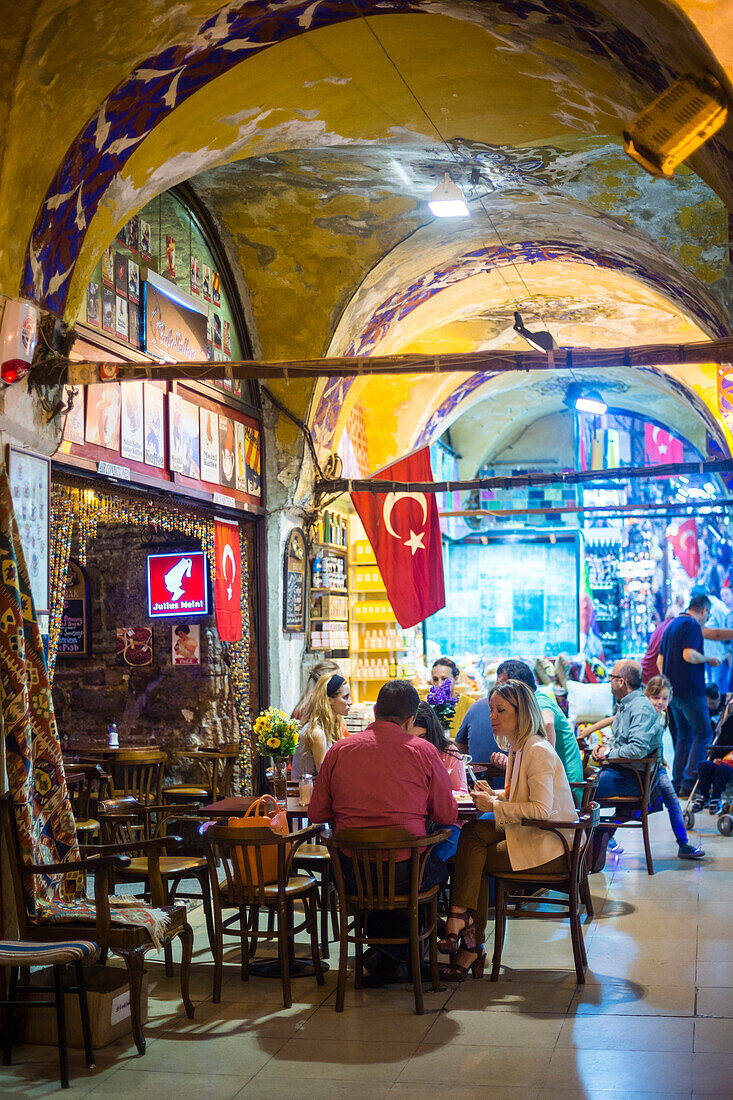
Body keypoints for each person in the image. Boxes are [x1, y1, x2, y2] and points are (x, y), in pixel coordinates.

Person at [309, 680, 457, 984]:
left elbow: (316, 813)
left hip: (353, 874)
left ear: (375, 712)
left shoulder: (339, 750)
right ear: (412, 719)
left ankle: (385, 957)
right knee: (431, 864)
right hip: (406, 873)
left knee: (377, 879)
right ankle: (402, 956)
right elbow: (446, 815)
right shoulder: (424, 751)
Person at [439, 679, 577, 982]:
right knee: (472, 833)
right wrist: (497, 796)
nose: (492, 716)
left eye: (501, 710)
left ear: (522, 712)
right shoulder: (520, 748)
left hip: (550, 845)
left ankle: (466, 932)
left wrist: (493, 803)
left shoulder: (537, 750)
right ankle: (465, 928)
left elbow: (541, 810)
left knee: (473, 856)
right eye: (491, 709)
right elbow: (523, 800)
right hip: (533, 832)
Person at [590, 660, 663, 871]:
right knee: (579, 782)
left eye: (611, 678)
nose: (609, 682)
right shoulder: (625, 704)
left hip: (633, 779)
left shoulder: (640, 708)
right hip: (620, 772)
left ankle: (584, 851)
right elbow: (620, 742)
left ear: (622, 681)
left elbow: (637, 750)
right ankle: (593, 844)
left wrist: (609, 753)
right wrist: (604, 748)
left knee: (580, 790)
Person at [659, 594, 721, 795]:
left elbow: (660, 661)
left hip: (673, 693)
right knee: (703, 733)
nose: (706, 620)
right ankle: (691, 781)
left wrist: (669, 683)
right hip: (691, 691)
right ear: (703, 610)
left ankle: (678, 784)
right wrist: (708, 659)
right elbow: (689, 654)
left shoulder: (671, 626)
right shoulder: (693, 625)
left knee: (684, 736)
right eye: (708, 616)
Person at [494, 659, 584, 785]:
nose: (498, 690)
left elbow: (548, 723)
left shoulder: (539, 702)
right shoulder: (527, 704)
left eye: (502, 685)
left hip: (566, 787)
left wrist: (542, 765)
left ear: (518, 686)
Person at [643, 676, 704, 859]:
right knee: (638, 808)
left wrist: (661, 758)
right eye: (655, 698)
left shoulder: (663, 714)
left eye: (664, 698)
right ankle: (606, 835)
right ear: (647, 696)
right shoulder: (645, 714)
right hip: (645, 768)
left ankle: (683, 844)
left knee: (671, 802)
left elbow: (657, 741)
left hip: (656, 767)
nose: (660, 702)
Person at [413, 701, 467, 866]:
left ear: (432, 733)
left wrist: (436, 794)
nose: (418, 744)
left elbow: (461, 792)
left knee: (429, 862)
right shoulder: (405, 753)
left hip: (448, 824)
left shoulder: (448, 752)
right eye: (412, 738)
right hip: (417, 826)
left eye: (422, 737)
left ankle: (425, 882)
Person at [291, 673, 351, 781]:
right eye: (345, 697)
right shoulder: (316, 732)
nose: (350, 702)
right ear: (329, 700)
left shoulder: (333, 725)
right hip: (309, 794)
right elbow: (326, 777)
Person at [430, 657, 472, 740]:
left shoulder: (469, 705)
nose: (439, 684)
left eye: (444, 679)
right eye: (435, 679)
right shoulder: (425, 704)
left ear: (456, 679)